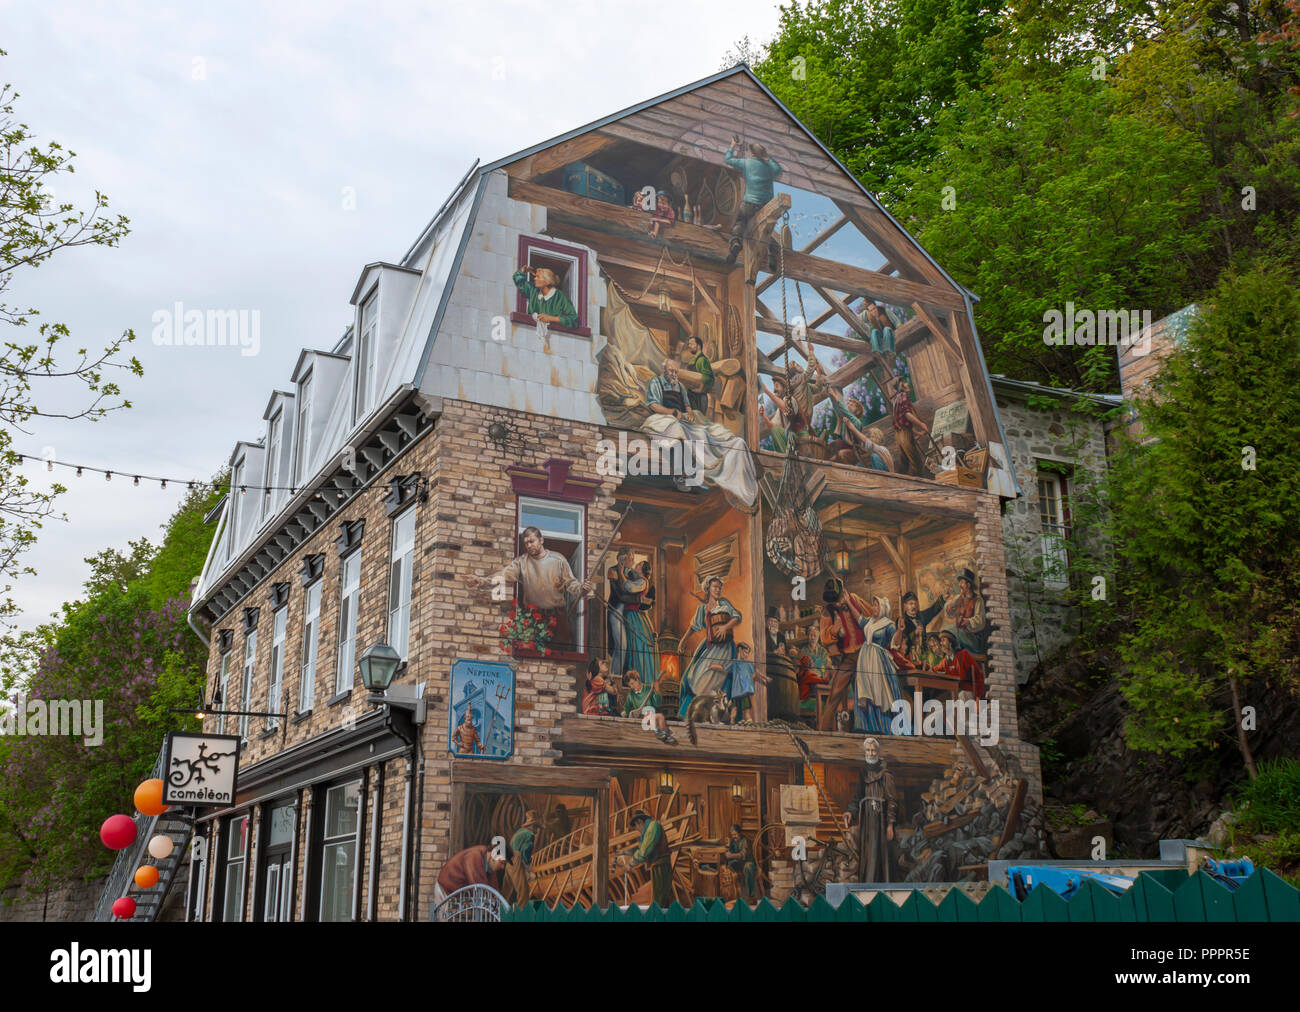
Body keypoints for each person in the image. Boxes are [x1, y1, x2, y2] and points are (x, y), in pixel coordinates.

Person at [644, 356, 758, 511]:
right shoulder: (655, 382)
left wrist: (689, 413)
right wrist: (671, 412)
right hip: (664, 416)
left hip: (682, 417)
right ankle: (686, 474)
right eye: (671, 371)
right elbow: (653, 404)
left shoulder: (680, 386)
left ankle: (714, 473)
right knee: (681, 431)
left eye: (676, 371)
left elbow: (687, 405)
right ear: (664, 370)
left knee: (710, 432)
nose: (674, 374)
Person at [467, 525, 595, 651]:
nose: (529, 545)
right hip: (534, 618)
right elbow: (504, 575)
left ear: (541, 540)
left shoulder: (558, 560)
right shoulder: (521, 562)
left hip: (558, 617)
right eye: (526, 543)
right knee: (534, 653)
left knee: (563, 651)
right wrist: (482, 580)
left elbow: (571, 584)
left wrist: (582, 588)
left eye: (532, 541)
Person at [678, 577, 742, 717]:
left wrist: (726, 626)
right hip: (710, 646)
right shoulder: (702, 609)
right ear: (708, 589)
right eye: (715, 587)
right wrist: (683, 641)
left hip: (725, 648)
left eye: (719, 587)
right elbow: (693, 627)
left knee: (720, 679)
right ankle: (693, 712)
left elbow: (737, 617)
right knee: (693, 677)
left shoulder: (724, 603)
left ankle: (720, 714)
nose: (717, 590)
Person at [845, 594, 905, 734]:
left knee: (878, 693)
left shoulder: (888, 624)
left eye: (877, 605)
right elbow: (858, 617)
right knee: (866, 692)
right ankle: (867, 726)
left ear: (883, 608)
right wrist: (848, 601)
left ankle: (883, 727)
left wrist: (900, 631)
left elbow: (895, 642)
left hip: (878, 661)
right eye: (874, 605)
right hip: (865, 660)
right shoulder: (869, 622)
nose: (874, 607)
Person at [817, 578, 870, 731]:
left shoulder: (854, 600)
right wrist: (834, 629)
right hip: (846, 658)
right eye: (835, 602)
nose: (838, 604)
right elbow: (824, 637)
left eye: (839, 599)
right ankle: (824, 732)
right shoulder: (828, 612)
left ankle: (865, 731)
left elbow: (871, 617)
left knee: (866, 696)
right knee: (835, 694)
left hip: (863, 655)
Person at [843, 737, 898, 882]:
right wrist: (850, 812)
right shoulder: (863, 774)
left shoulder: (886, 775)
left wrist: (890, 825)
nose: (871, 753)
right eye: (868, 750)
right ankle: (867, 883)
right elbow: (857, 797)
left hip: (881, 821)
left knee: (880, 854)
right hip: (867, 820)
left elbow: (892, 801)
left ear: (878, 752)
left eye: (873, 750)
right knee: (868, 853)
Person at [723, 134, 784, 265]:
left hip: (749, 203)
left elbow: (727, 159)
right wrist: (769, 157)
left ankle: (736, 243)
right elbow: (779, 169)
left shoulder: (746, 163)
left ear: (751, 153)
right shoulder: (769, 167)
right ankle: (772, 253)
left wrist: (733, 146)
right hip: (765, 205)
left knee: (740, 223)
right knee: (766, 230)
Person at [620, 559, 660, 682]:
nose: (636, 565)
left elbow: (629, 587)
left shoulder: (642, 582)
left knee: (635, 645)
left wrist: (621, 574)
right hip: (631, 614)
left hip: (633, 615)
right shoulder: (639, 580)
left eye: (639, 565)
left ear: (643, 570)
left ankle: (638, 678)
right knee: (632, 645)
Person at [434, 843, 508, 908]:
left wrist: (497, 902)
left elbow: (493, 892)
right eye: (502, 862)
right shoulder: (475, 856)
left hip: (460, 898)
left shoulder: (490, 866)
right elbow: (478, 888)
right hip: (445, 891)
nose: (502, 867)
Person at [623, 810, 672, 907]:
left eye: (636, 826)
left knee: (660, 899)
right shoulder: (651, 828)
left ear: (640, 822)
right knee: (661, 897)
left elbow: (644, 851)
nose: (637, 829)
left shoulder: (652, 827)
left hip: (660, 866)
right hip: (659, 865)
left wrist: (630, 863)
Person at [888, 375, 932, 477]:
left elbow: (902, 422)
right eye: (905, 382)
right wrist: (921, 424)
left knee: (904, 463)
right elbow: (907, 415)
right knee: (916, 463)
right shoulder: (903, 396)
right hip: (904, 434)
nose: (908, 384)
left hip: (900, 435)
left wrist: (917, 433)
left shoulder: (896, 400)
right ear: (901, 385)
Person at [512, 264, 578, 329]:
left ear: (547, 282)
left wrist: (551, 318)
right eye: (535, 276)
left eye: (538, 277)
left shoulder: (559, 296)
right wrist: (523, 271)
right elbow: (519, 282)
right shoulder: (533, 291)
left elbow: (573, 320)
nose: (535, 279)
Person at [622, 668, 677, 743]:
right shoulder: (631, 694)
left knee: (660, 716)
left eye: (632, 683)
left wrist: (656, 690)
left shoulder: (648, 689)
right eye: (630, 685)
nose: (631, 687)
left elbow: (657, 704)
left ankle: (665, 736)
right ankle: (659, 732)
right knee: (649, 713)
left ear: (637, 679)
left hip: (652, 715)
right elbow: (627, 708)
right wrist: (625, 713)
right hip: (641, 719)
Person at [895, 588, 946, 666]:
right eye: (911, 604)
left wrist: (943, 598)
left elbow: (932, 610)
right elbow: (901, 640)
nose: (914, 606)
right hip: (910, 655)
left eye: (915, 604)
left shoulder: (921, 616)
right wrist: (915, 632)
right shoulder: (902, 621)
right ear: (905, 605)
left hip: (924, 653)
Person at [722, 642, 769, 723]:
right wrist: (712, 666)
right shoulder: (733, 662)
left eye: (748, 653)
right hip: (735, 692)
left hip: (744, 691)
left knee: (746, 710)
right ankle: (732, 723)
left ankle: (748, 722)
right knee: (734, 709)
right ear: (739, 650)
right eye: (745, 652)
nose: (747, 655)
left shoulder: (748, 664)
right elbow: (723, 667)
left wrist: (765, 678)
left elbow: (756, 672)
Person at [945, 568, 987, 655]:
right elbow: (950, 613)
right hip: (961, 636)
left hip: (974, 640)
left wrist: (968, 622)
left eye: (962, 582)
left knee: (954, 632)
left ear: (968, 584)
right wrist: (949, 609)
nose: (960, 585)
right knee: (947, 633)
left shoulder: (978, 600)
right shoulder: (959, 598)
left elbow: (980, 620)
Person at [935, 630, 987, 699]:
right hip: (954, 691)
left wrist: (978, 697)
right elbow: (934, 669)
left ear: (950, 642)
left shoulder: (963, 655)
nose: (941, 643)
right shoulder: (945, 661)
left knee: (962, 695)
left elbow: (977, 675)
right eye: (940, 641)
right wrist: (920, 664)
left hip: (967, 691)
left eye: (943, 640)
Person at [505, 810, 539, 904]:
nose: (537, 830)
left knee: (507, 889)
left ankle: (499, 911)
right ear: (532, 826)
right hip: (517, 859)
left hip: (509, 859)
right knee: (523, 892)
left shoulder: (518, 832)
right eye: (536, 827)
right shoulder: (530, 835)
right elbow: (525, 851)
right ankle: (522, 915)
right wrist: (528, 868)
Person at [725, 823, 760, 904]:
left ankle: (751, 895)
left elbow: (743, 854)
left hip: (748, 862)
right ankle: (732, 895)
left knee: (748, 867)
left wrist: (731, 855)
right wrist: (728, 852)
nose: (734, 836)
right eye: (732, 835)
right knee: (727, 867)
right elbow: (731, 852)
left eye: (735, 834)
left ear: (739, 833)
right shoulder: (733, 842)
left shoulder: (745, 840)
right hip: (739, 863)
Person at [681, 336, 715, 415]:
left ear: (699, 346)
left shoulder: (702, 360)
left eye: (692, 344)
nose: (689, 346)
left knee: (698, 419)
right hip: (690, 395)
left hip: (699, 398)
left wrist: (700, 389)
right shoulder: (692, 360)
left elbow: (709, 377)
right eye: (689, 344)